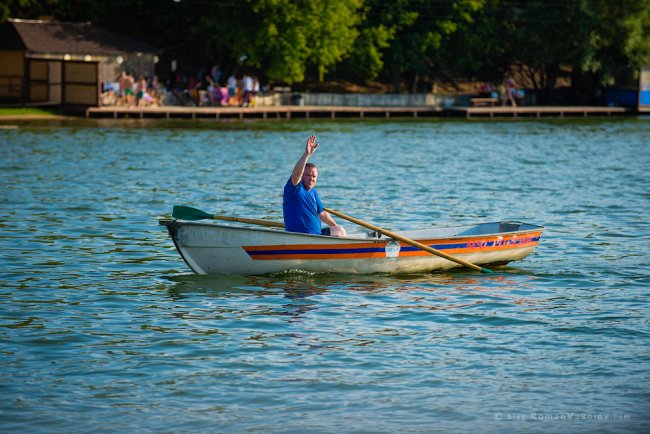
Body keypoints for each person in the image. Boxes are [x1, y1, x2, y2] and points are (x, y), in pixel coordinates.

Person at [283, 135, 346, 237]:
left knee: (340, 231)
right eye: (308, 175)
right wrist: (306, 155)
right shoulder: (294, 189)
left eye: (314, 176)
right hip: (299, 237)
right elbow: (295, 174)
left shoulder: (313, 193)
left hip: (316, 236)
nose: (311, 178)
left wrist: (335, 226)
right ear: (302, 175)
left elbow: (322, 214)